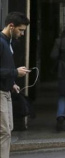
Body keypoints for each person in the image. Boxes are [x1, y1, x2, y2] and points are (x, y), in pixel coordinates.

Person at [0, 12, 30, 158]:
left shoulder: (8, 42)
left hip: (5, 90)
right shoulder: (1, 42)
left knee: (8, 128)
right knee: (4, 131)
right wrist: (14, 73)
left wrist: (12, 83)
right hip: (0, 92)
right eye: (21, 30)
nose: (22, 33)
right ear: (11, 26)